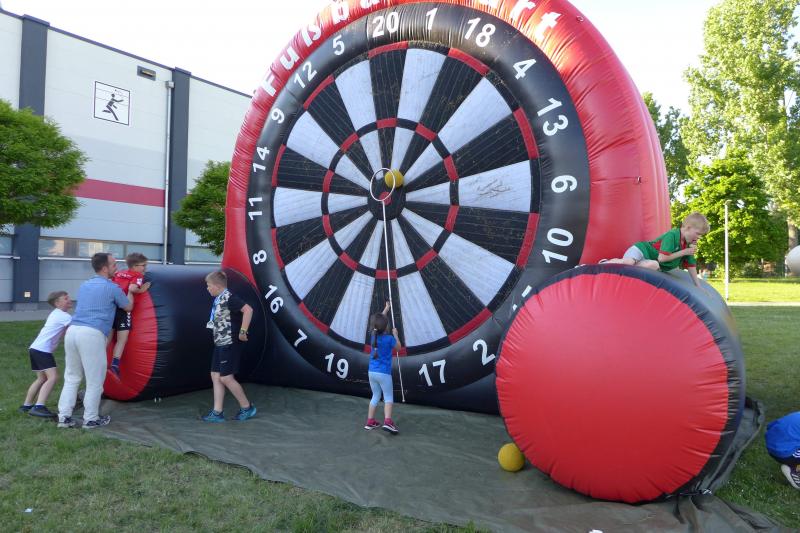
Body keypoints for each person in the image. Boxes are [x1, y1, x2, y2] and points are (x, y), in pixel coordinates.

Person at [57, 253, 133, 429]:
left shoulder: (85, 285)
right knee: (95, 381)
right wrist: (130, 291)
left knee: (72, 377)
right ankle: (91, 419)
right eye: (114, 264)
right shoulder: (112, 288)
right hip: (91, 334)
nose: (116, 267)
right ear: (105, 268)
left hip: (72, 331)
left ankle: (64, 418)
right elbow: (128, 306)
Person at [201, 270, 256, 422]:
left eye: (209, 285)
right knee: (215, 375)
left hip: (229, 342)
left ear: (218, 286)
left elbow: (248, 310)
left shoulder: (229, 298)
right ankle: (217, 412)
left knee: (226, 377)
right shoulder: (219, 299)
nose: (207, 288)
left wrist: (243, 331)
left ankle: (247, 407)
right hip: (220, 342)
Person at [602, 212, 710, 288]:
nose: (698, 238)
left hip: (649, 262)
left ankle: (627, 268)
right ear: (688, 228)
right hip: (640, 251)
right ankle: (604, 263)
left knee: (653, 265)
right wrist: (683, 252)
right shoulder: (672, 235)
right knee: (629, 262)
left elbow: (691, 265)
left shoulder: (689, 244)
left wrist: (698, 285)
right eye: (698, 234)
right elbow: (662, 258)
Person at [20, 291, 72, 418]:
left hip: (35, 348)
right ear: (57, 303)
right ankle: (39, 407)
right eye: (66, 298)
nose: (69, 300)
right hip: (42, 350)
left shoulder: (56, 314)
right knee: (53, 377)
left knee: (41, 379)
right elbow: (77, 326)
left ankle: (26, 406)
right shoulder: (63, 316)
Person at [109, 252, 151, 377]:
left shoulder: (119, 273)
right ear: (135, 266)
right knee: (122, 339)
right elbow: (132, 288)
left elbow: (112, 283)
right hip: (124, 308)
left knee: (108, 337)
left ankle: (97, 359)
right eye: (143, 265)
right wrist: (142, 289)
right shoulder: (137, 275)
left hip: (112, 307)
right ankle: (115, 364)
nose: (145, 268)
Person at [364, 302, 401, 434]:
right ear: (386, 327)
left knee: (375, 395)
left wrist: (386, 309)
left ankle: (370, 422)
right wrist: (396, 334)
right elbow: (398, 348)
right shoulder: (390, 339)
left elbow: (378, 322)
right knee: (388, 397)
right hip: (384, 373)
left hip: (372, 372)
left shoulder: (373, 336)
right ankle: (388, 422)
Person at [765, 412, 800, 490]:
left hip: (771, 446)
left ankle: (794, 463)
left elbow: (771, 425)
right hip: (784, 453)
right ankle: (793, 470)